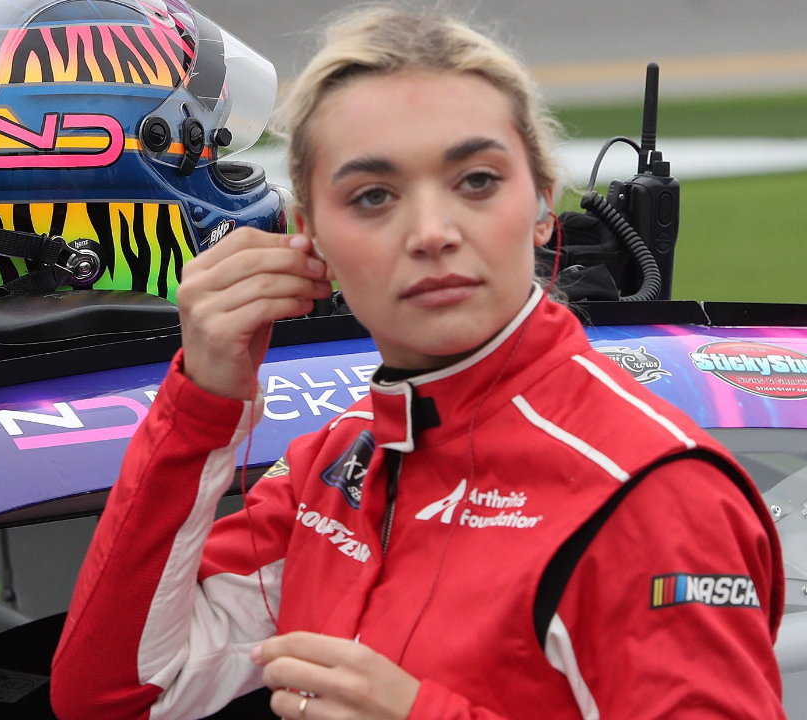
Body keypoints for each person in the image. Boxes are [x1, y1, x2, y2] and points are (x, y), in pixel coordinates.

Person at [49, 6, 785, 720]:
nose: (432, 232)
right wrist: (202, 399)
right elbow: (120, 694)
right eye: (373, 196)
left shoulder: (654, 495)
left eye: (476, 182)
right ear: (310, 240)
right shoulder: (336, 466)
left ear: (542, 206)